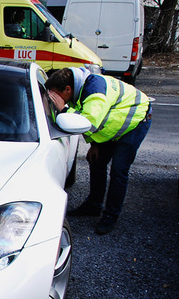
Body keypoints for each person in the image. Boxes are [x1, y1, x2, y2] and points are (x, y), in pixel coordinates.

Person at [46, 67, 152, 234]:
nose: (55, 100)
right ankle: (94, 205)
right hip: (115, 120)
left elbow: (89, 122)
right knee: (96, 161)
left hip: (135, 122)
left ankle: (111, 215)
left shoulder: (94, 91)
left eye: (56, 96)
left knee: (119, 169)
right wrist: (95, 144)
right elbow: (94, 116)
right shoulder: (78, 88)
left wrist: (64, 109)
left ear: (67, 89)